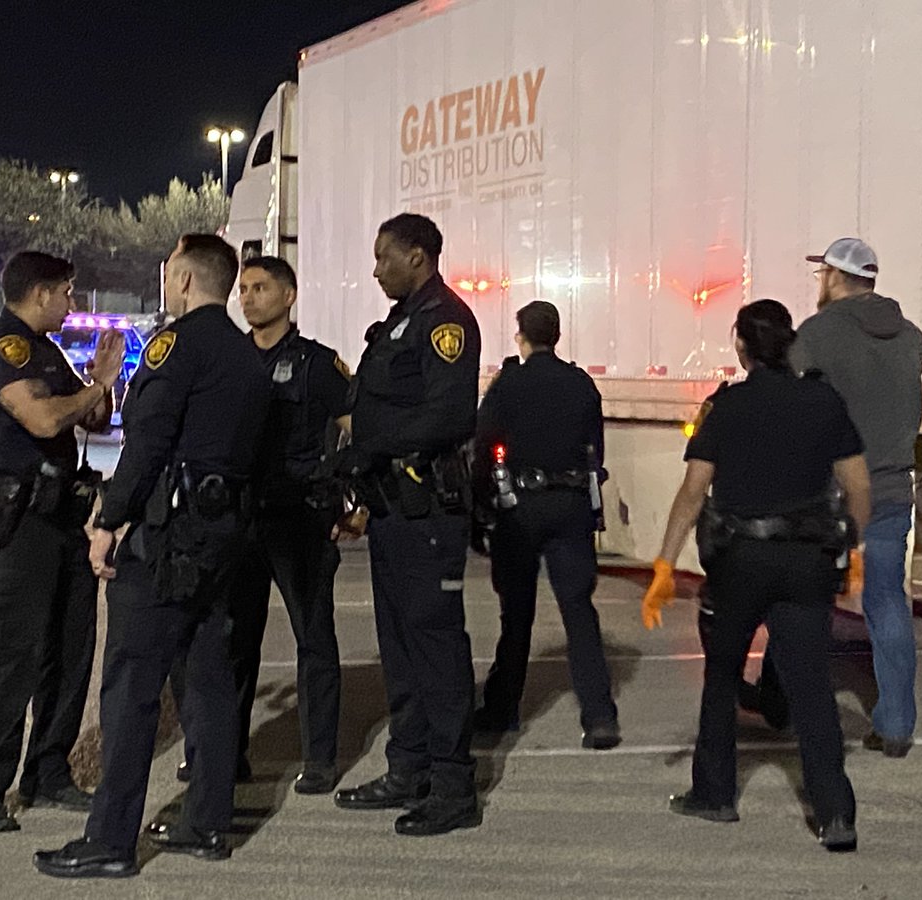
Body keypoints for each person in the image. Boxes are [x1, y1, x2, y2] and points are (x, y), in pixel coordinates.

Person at [33, 235, 271, 878]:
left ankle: (110, 841)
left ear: (188, 282)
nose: (165, 285)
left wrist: (108, 522)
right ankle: (207, 823)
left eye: (169, 275)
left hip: (169, 539)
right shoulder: (247, 357)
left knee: (132, 689)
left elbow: (147, 444)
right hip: (226, 539)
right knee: (211, 681)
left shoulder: (177, 346)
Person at [641, 299, 871, 852]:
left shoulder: (726, 407)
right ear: (789, 344)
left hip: (740, 560)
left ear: (740, 347)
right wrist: (853, 547)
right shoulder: (824, 400)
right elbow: (860, 486)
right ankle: (836, 815)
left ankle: (715, 795)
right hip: (806, 561)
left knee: (721, 679)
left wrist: (665, 566)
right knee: (812, 687)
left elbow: (693, 493)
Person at [0, 251, 121, 833]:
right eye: (67, 293)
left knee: (70, 652)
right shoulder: (5, 348)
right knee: (14, 657)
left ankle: (49, 770)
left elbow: (94, 421)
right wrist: (94, 388)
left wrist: (106, 383)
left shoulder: (46, 351)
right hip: (15, 521)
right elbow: (47, 421)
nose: (73, 304)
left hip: (59, 519)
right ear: (42, 293)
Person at [332, 213, 483, 837]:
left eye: (383, 257)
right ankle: (408, 767)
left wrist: (370, 446)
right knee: (399, 645)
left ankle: (452, 786)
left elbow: (448, 416)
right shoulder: (401, 321)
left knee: (436, 646)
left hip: (428, 512)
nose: (375, 269)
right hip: (394, 507)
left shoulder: (444, 321)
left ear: (417, 257)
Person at [791, 237, 922, 758]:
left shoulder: (817, 334)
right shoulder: (912, 336)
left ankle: (800, 712)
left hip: (832, 492)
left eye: (821, 273)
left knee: (806, 603)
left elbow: (794, 400)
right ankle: (896, 725)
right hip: (892, 488)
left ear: (834, 276)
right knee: (888, 601)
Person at [223, 255, 351, 793]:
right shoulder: (229, 362)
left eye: (260, 288)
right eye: (243, 289)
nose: (248, 298)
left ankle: (319, 757)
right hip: (240, 517)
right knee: (233, 641)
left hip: (300, 516)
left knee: (314, 638)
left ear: (289, 296)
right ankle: (225, 755)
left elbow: (353, 429)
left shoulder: (317, 364)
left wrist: (349, 500)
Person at [470, 300, 620, 749]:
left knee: (516, 614)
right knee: (578, 611)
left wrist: (481, 509)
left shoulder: (508, 384)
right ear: (556, 335)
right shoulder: (581, 384)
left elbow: (484, 447)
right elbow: (596, 450)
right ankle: (599, 717)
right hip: (570, 505)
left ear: (522, 336)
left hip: (519, 508)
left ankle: (502, 709)